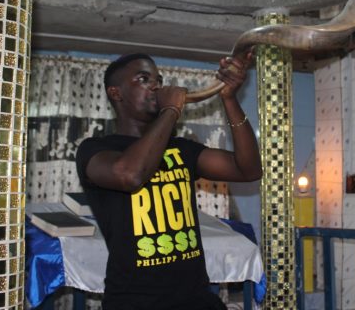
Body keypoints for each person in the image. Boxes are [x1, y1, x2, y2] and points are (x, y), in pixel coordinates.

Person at [75, 52, 263, 310]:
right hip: (133, 302)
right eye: (143, 79)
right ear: (116, 93)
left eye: (158, 79)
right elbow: (131, 175)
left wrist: (229, 99)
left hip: (196, 299)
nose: (156, 85)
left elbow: (248, 169)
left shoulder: (180, 149)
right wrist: (171, 109)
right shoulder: (96, 149)